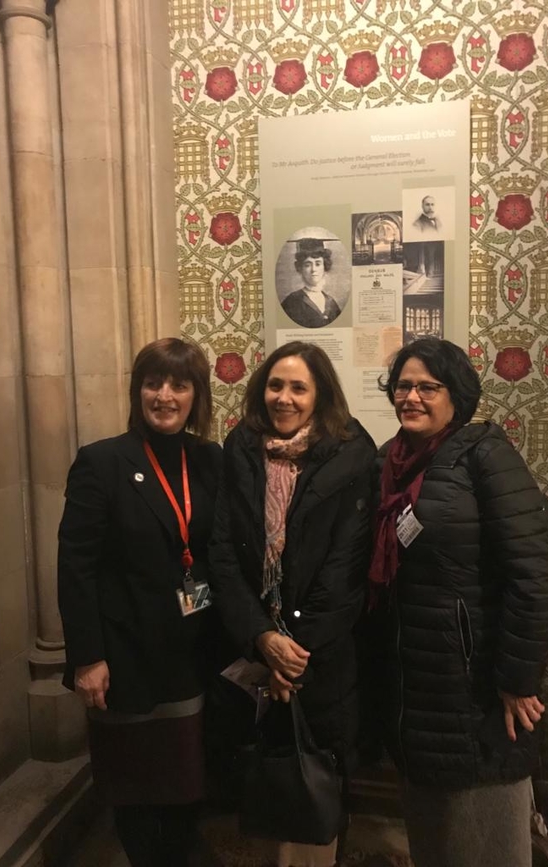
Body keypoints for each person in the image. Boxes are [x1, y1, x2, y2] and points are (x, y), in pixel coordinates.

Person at [368, 337, 548, 867]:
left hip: (475, 686)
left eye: (429, 387)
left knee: (487, 838)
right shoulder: (389, 462)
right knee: (432, 836)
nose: (412, 397)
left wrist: (518, 680)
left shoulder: (485, 453)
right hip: (414, 685)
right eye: (403, 386)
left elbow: (534, 575)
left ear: (457, 395)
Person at [209, 340, 376, 867]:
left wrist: (292, 654)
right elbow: (223, 551)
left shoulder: (353, 453)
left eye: (298, 387)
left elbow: (347, 566)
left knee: (318, 784)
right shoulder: (240, 446)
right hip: (253, 649)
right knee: (261, 781)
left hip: (319, 657)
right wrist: (261, 638)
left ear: (320, 394)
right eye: (275, 385)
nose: (284, 397)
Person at [58, 337, 222, 867]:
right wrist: (87, 658)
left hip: (189, 653)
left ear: (197, 395)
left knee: (184, 783)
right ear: (138, 391)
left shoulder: (209, 459)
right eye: (153, 383)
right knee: (132, 788)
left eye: (179, 384)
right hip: (123, 655)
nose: (165, 396)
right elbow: (75, 568)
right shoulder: (102, 461)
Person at [281, 239, 342, 328]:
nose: (313, 269)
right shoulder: (291, 302)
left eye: (318, 264)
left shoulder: (331, 302)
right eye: (307, 265)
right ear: (300, 268)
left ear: (324, 266)